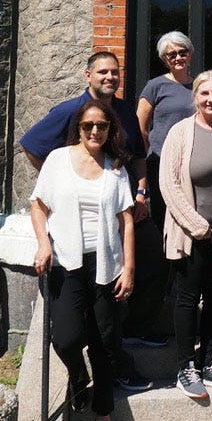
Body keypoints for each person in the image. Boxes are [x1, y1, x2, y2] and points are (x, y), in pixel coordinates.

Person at [20, 50, 164, 388]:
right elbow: (31, 144)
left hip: (124, 208)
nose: (109, 78)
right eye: (102, 72)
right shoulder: (72, 111)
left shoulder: (126, 111)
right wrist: (61, 184)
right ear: (88, 76)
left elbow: (139, 158)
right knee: (88, 304)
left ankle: (135, 329)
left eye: (114, 72)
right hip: (83, 225)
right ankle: (109, 358)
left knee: (156, 263)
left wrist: (141, 193)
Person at [30, 98, 134, 421]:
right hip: (66, 262)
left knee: (105, 344)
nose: (94, 132)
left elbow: (127, 220)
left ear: (109, 130)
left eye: (101, 127)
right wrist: (43, 244)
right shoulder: (58, 160)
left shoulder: (116, 167)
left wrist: (130, 268)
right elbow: (39, 205)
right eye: (88, 126)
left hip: (106, 264)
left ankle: (104, 419)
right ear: (79, 127)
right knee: (66, 339)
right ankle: (78, 376)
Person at [159, 70, 212, 399]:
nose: (211, 99)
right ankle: (186, 367)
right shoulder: (181, 133)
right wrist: (197, 226)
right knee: (187, 298)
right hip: (191, 233)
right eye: (204, 93)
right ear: (195, 97)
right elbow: (168, 184)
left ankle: (209, 363)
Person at [136, 31, 195, 232]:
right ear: (164, 59)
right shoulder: (155, 86)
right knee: (163, 218)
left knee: (191, 214)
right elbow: (141, 129)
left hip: (191, 160)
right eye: (172, 54)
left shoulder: (199, 86)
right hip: (161, 161)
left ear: (190, 54)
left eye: (182, 52)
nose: (178, 57)